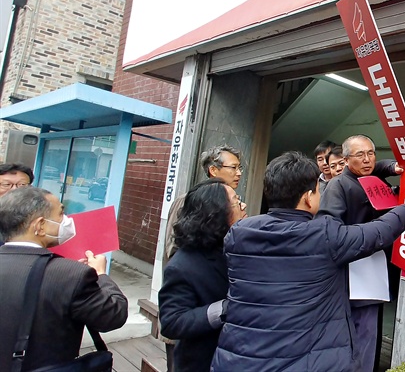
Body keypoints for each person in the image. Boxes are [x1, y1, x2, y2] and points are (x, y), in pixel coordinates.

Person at [211, 151, 405, 371]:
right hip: (306, 361)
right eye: (318, 190)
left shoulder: (238, 233)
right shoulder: (323, 235)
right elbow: (377, 232)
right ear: (308, 197)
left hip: (240, 359)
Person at [0, 187, 128, 370]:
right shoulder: (72, 274)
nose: (67, 221)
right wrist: (101, 275)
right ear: (40, 226)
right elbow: (113, 316)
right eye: (61, 213)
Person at [318, 134, 405, 372]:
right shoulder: (339, 186)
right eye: (360, 155)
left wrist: (393, 166)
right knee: (354, 337)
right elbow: (330, 233)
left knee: (370, 337)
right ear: (346, 160)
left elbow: (381, 166)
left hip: (376, 272)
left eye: (370, 153)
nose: (367, 160)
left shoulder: (373, 178)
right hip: (350, 274)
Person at [159, 145, 248, 370]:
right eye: (237, 203)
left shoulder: (231, 249)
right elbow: (172, 321)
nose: (243, 208)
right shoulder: (183, 266)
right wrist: (226, 308)